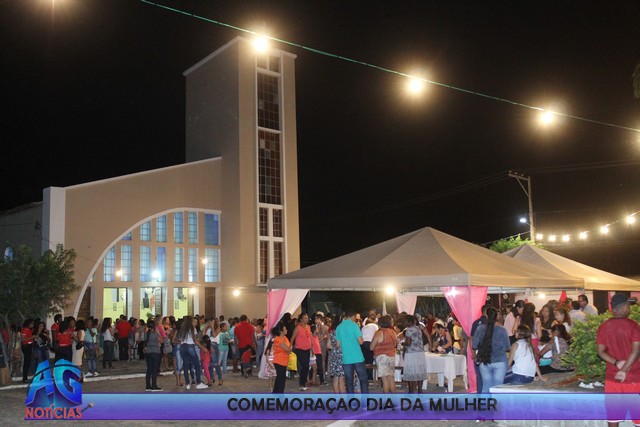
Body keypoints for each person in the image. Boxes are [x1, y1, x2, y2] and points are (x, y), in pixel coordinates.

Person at [596, 293, 640, 427]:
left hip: (612, 378)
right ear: (622, 307)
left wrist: (616, 363)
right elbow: (636, 351)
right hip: (633, 378)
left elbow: (600, 352)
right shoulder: (633, 326)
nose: (629, 308)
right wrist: (624, 370)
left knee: (613, 417)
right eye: (628, 305)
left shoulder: (603, 326)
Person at [472, 307, 510, 393]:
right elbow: (507, 347)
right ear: (497, 317)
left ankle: (485, 402)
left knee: (486, 386)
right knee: (498, 388)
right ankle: (496, 402)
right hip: (500, 361)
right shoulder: (502, 330)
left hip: (484, 361)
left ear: (486, 316)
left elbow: (474, 345)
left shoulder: (480, 329)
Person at [336, 310, 368, 394]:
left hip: (346, 358)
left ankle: (351, 400)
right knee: (363, 379)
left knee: (349, 381)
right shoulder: (354, 326)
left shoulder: (339, 327)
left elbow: (338, 344)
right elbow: (361, 342)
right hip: (357, 357)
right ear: (353, 317)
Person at [178, 315, 208, 389]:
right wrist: (203, 348)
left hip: (182, 347)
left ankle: (187, 384)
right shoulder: (192, 328)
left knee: (185, 366)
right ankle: (199, 383)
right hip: (190, 346)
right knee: (197, 365)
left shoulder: (182, 328)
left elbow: (180, 340)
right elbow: (195, 341)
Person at [369, 314, 397, 393]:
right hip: (391, 356)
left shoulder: (379, 333)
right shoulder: (393, 332)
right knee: (391, 378)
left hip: (381, 357)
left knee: (384, 380)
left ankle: (386, 398)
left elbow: (371, 347)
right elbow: (395, 344)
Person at [401, 315, 428, 393]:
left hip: (411, 353)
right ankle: (420, 389)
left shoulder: (408, 330)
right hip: (420, 352)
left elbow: (408, 343)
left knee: (410, 371)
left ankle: (411, 390)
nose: (404, 323)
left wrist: (403, 343)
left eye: (405, 321)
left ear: (409, 321)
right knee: (419, 371)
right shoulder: (418, 329)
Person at [470, 303, 491, 393]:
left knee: (479, 376)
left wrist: (473, 351)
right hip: (488, 353)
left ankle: (480, 395)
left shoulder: (475, 323)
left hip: (478, 352)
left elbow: (471, 338)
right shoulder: (490, 323)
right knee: (488, 376)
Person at [291, 313, 312, 391]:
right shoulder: (298, 328)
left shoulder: (308, 327)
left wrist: (312, 347)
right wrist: (290, 346)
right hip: (300, 349)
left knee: (306, 366)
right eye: (305, 318)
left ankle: (304, 382)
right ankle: (302, 383)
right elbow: (292, 338)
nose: (306, 319)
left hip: (307, 349)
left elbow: (310, 337)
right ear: (301, 319)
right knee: (304, 366)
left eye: (307, 318)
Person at [327, 315, 346, 393]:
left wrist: (334, 348)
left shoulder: (331, 332)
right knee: (341, 378)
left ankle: (337, 397)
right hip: (341, 355)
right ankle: (343, 397)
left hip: (333, 355)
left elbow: (328, 346)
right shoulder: (341, 332)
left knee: (335, 378)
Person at [271, 323, 291, 393]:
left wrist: (289, 349)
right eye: (285, 329)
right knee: (281, 379)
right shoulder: (278, 339)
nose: (287, 330)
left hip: (284, 360)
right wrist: (288, 349)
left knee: (280, 378)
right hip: (279, 361)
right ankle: (279, 393)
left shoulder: (285, 338)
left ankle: (276, 392)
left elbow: (289, 348)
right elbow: (288, 349)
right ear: (281, 331)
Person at [144, 319, 162, 391]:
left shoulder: (146, 333)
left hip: (148, 352)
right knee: (155, 369)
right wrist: (158, 332)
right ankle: (154, 386)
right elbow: (161, 340)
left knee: (149, 369)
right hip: (155, 352)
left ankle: (148, 385)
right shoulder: (155, 334)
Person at [361, 315, 378, 381]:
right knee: (370, 361)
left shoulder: (364, 327)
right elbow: (377, 333)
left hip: (363, 344)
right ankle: (370, 377)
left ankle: (364, 376)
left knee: (365, 361)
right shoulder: (375, 326)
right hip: (370, 343)